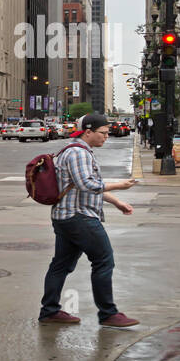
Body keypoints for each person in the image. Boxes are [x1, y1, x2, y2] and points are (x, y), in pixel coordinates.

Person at [39, 112, 139, 329]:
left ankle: (49, 311)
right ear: (88, 132)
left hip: (66, 216)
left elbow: (85, 185)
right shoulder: (78, 153)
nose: (107, 136)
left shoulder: (77, 150)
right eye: (103, 133)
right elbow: (88, 184)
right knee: (104, 260)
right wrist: (118, 185)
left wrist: (116, 202)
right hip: (79, 217)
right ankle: (108, 314)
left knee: (61, 264)